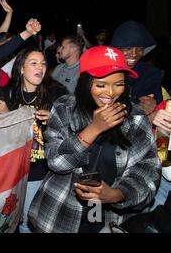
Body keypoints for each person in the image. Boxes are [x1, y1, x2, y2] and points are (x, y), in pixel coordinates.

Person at [28, 46, 161, 233]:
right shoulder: (64, 107)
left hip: (110, 218)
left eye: (119, 84)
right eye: (101, 85)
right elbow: (56, 161)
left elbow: (147, 171)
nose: (111, 93)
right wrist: (93, 129)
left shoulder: (135, 117)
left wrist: (118, 194)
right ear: (85, 82)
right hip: (61, 215)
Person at [5, 47, 68, 232]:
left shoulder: (57, 93)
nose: (39, 68)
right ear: (21, 69)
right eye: (33, 63)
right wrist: (5, 114)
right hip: (14, 171)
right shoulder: (8, 94)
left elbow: (76, 124)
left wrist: (55, 118)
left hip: (44, 171)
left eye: (43, 63)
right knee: (20, 220)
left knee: (36, 222)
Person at [110, 21, 163, 116]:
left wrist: (154, 107)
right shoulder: (104, 72)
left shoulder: (151, 74)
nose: (134, 54)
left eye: (139, 48)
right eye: (127, 48)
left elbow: (159, 106)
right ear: (116, 49)